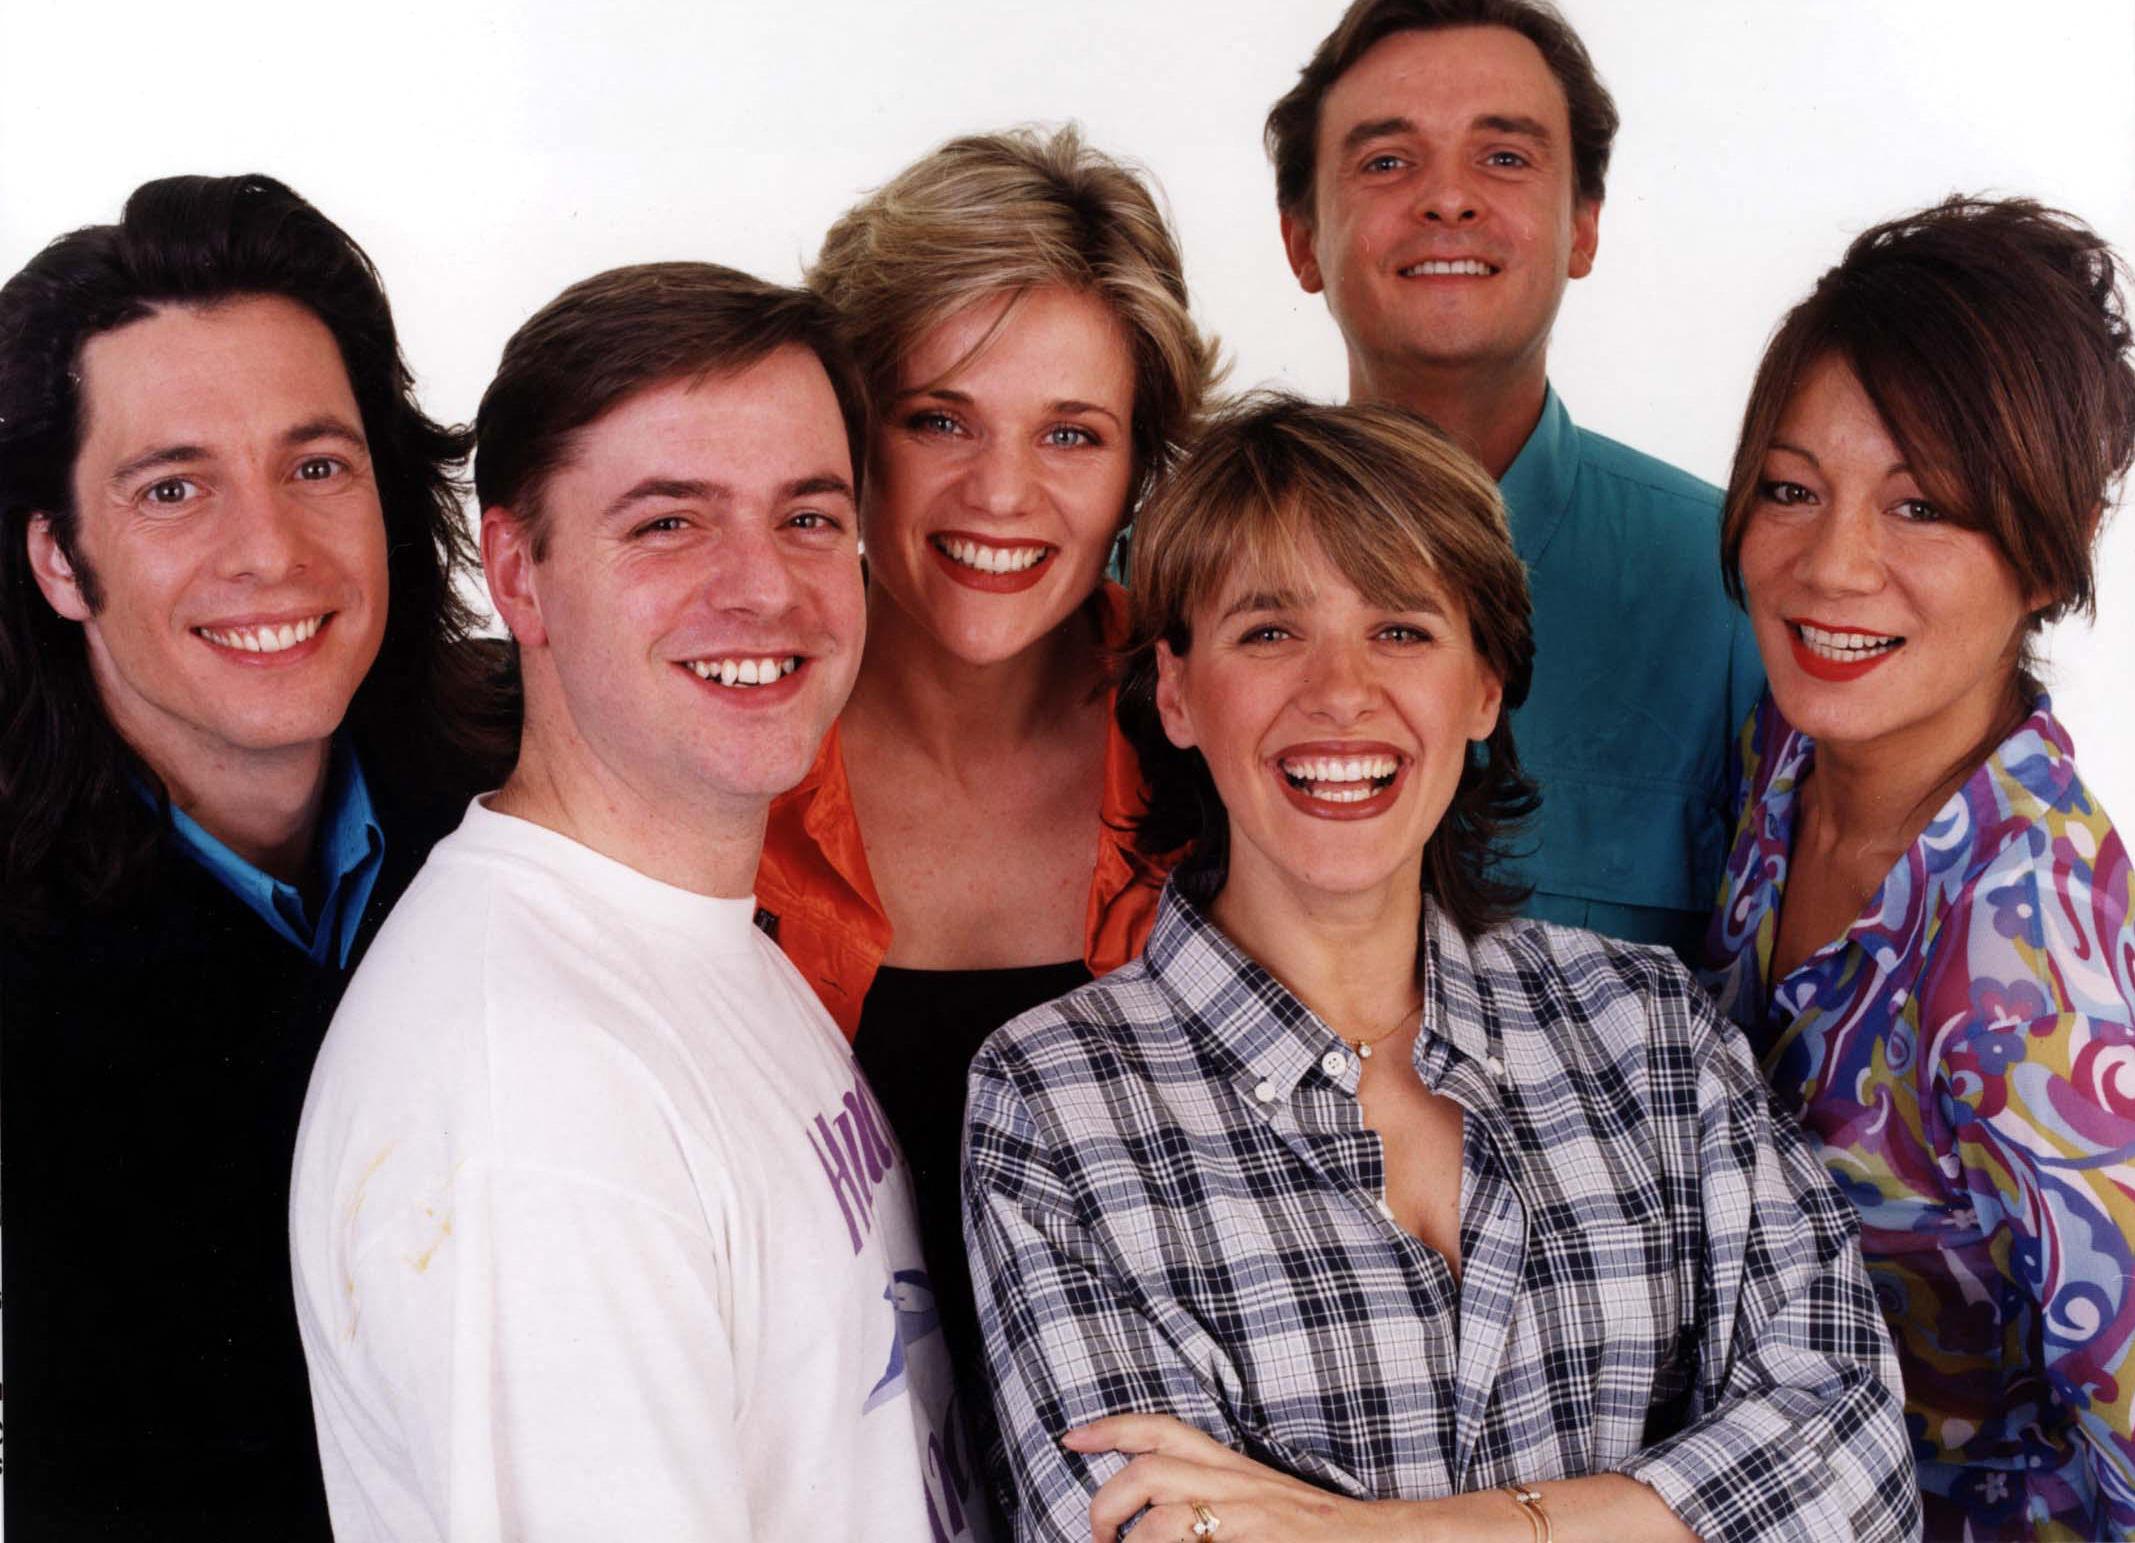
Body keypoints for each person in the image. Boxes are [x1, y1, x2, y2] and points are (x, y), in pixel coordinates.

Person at [964, 394, 1918, 1543]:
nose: (1338, 694)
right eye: (1267, 631)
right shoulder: (1048, 1100)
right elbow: (1142, 1529)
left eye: (1400, 629)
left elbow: (1852, 1459)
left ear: (1482, 687)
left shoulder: (1650, 1027)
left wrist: (1376, 1530)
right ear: (1175, 690)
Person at [289, 261, 984, 1541]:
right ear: (519, 572)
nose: (764, 588)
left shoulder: (691, 941)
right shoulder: (536, 1090)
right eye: (670, 521)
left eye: (809, 517)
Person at [0, 173, 512, 1536]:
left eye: (317, 464)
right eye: (174, 487)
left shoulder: (530, 788)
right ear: (58, 557)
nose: (272, 549)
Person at [755, 124, 1220, 1395]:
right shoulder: (722, 740)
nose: (1000, 495)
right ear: (850, 435)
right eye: (940, 420)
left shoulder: (1227, 739)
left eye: (1069, 434)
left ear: (1139, 467)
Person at [1701, 197, 2135, 1539]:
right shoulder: (1783, 750)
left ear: (2042, 549)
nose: (1830, 566)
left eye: (1921, 506)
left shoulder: (2026, 965)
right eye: (1787, 487)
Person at [1266, 0, 1761, 955]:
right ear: (1300, 240)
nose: (1446, 199)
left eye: (1503, 157)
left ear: (1583, 228)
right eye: (1384, 161)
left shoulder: (1733, 586)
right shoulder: (1173, 570)